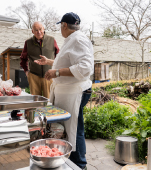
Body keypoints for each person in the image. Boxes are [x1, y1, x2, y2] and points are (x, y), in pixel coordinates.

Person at [34, 12, 94, 170]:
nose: (61, 29)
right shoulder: (72, 39)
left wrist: (57, 72)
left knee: (75, 128)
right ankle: (73, 160)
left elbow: (85, 67)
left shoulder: (78, 39)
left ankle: (80, 165)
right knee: (71, 128)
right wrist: (50, 62)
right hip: (69, 92)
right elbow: (69, 61)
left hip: (76, 92)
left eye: (61, 26)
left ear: (64, 25)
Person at [20, 21, 59, 98]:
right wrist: (26, 71)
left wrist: (56, 70)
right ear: (32, 31)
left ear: (43, 29)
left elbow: (58, 55)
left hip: (48, 75)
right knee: (35, 100)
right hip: (34, 76)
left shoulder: (52, 40)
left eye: (40, 29)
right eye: (36, 30)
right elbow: (23, 59)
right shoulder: (28, 42)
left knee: (49, 100)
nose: (39, 32)